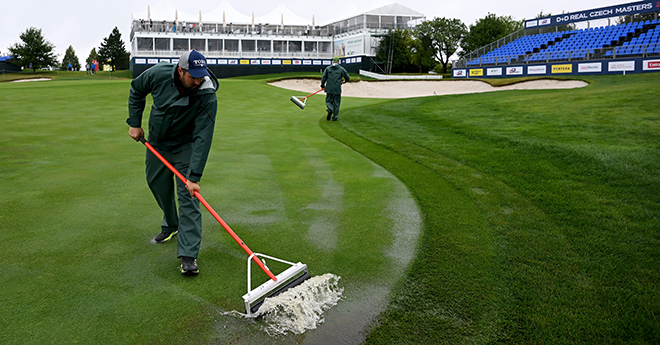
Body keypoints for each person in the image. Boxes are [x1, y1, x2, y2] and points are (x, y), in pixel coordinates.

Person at [127, 50, 219, 275]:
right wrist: (135, 123)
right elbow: (137, 90)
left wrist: (194, 177)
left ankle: (188, 254)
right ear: (180, 71)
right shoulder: (158, 74)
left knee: (188, 196)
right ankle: (171, 224)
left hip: (184, 146)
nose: (198, 80)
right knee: (156, 183)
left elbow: (203, 136)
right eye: (193, 76)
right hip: (157, 143)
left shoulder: (206, 94)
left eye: (201, 75)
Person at [321, 57, 350, 121]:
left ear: (332, 62)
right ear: (339, 62)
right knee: (337, 103)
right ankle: (335, 116)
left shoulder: (328, 68)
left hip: (329, 88)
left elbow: (323, 78)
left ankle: (330, 109)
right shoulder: (341, 69)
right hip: (337, 89)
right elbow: (347, 77)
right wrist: (345, 81)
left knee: (328, 101)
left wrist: (322, 85)